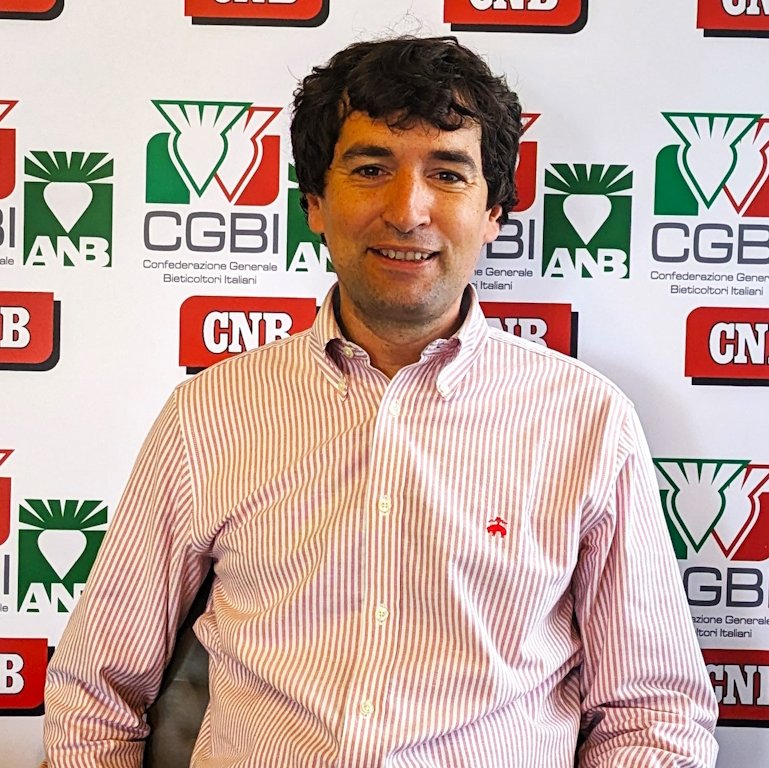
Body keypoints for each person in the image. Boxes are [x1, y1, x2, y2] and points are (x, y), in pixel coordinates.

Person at [43, 36, 719, 767]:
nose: (407, 211)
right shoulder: (209, 414)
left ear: (494, 211)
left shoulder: (587, 421)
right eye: (370, 169)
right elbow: (95, 695)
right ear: (314, 203)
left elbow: (654, 715)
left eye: (447, 174)